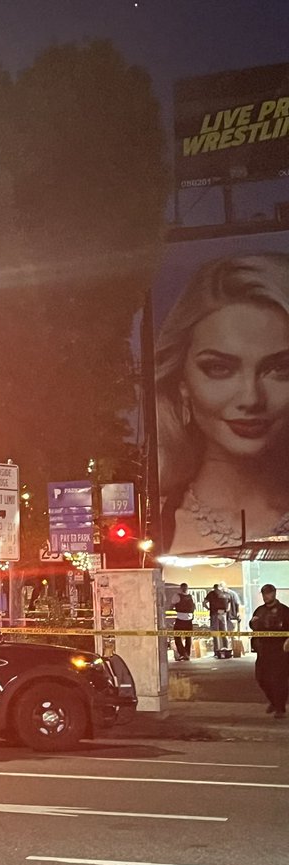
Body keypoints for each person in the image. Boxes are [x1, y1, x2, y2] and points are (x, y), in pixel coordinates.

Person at [155, 254, 289, 554]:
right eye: (219, 369)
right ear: (182, 383)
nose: (251, 398)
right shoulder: (154, 526)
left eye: (280, 369)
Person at [248, 584, 289, 718]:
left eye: (269, 593)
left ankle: (280, 708)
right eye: (264, 594)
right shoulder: (259, 611)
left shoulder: (284, 611)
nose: (266, 596)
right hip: (263, 650)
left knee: (279, 681)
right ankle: (274, 701)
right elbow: (254, 626)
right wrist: (252, 624)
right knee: (261, 678)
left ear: (274, 593)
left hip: (280, 651)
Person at [170, 583, 196, 662]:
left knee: (177, 636)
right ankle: (187, 654)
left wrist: (171, 610)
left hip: (180, 619)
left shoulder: (177, 596)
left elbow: (171, 606)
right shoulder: (192, 597)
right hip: (189, 620)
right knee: (188, 637)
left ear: (181, 588)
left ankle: (183, 653)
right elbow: (194, 607)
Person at [205, 583, 232, 657]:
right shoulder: (226, 594)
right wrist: (226, 611)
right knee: (222, 632)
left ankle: (218, 651)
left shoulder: (211, 594)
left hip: (216, 613)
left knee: (217, 633)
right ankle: (225, 649)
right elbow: (229, 604)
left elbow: (204, 603)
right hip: (222, 613)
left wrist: (209, 609)